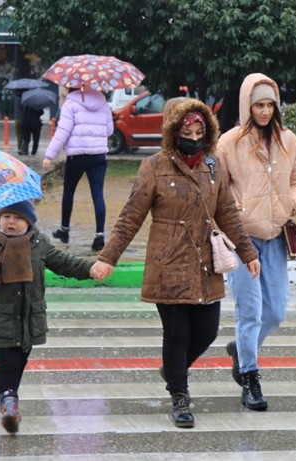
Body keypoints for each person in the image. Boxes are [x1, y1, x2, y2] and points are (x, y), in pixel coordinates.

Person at [91, 98, 261, 428]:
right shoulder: (154, 166)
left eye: (200, 131)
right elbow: (130, 218)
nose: (194, 137)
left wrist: (248, 252)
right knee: (177, 334)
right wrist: (107, 258)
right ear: (172, 131)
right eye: (187, 131)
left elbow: (227, 213)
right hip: (167, 263)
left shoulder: (213, 165)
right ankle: (180, 396)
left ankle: (173, 369)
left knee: (208, 331)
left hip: (205, 263)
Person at [0, 200, 109, 434]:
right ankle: (8, 402)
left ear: (28, 222)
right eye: (6, 217)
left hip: (30, 316)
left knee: (20, 356)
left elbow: (64, 264)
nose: (11, 222)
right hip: (1, 317)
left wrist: (90, 269)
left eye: (17, 218)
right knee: (7, 360)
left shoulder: (39, 244)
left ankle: (9, 399)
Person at [217, 73, 296, 412]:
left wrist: (291, 204)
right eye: (259, 104)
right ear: (247, 106)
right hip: (241, 239)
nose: (265, 111)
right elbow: (218, 188)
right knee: (251, 311)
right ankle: (250, 376)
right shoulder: (229, 143)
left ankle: (241, 349)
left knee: (276, 312)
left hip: (275, 237)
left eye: (270, 104)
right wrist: (235, 213)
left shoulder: (288, 140)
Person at [42, 87, 113, 252]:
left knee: (69, 192)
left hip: (77, 156)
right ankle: (99, 235)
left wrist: (49, 156)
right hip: (99, 155)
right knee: (98, 194)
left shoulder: (70, 103)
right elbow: (109, 130)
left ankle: (64, 231)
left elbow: (63, 132)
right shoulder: (103, 102)